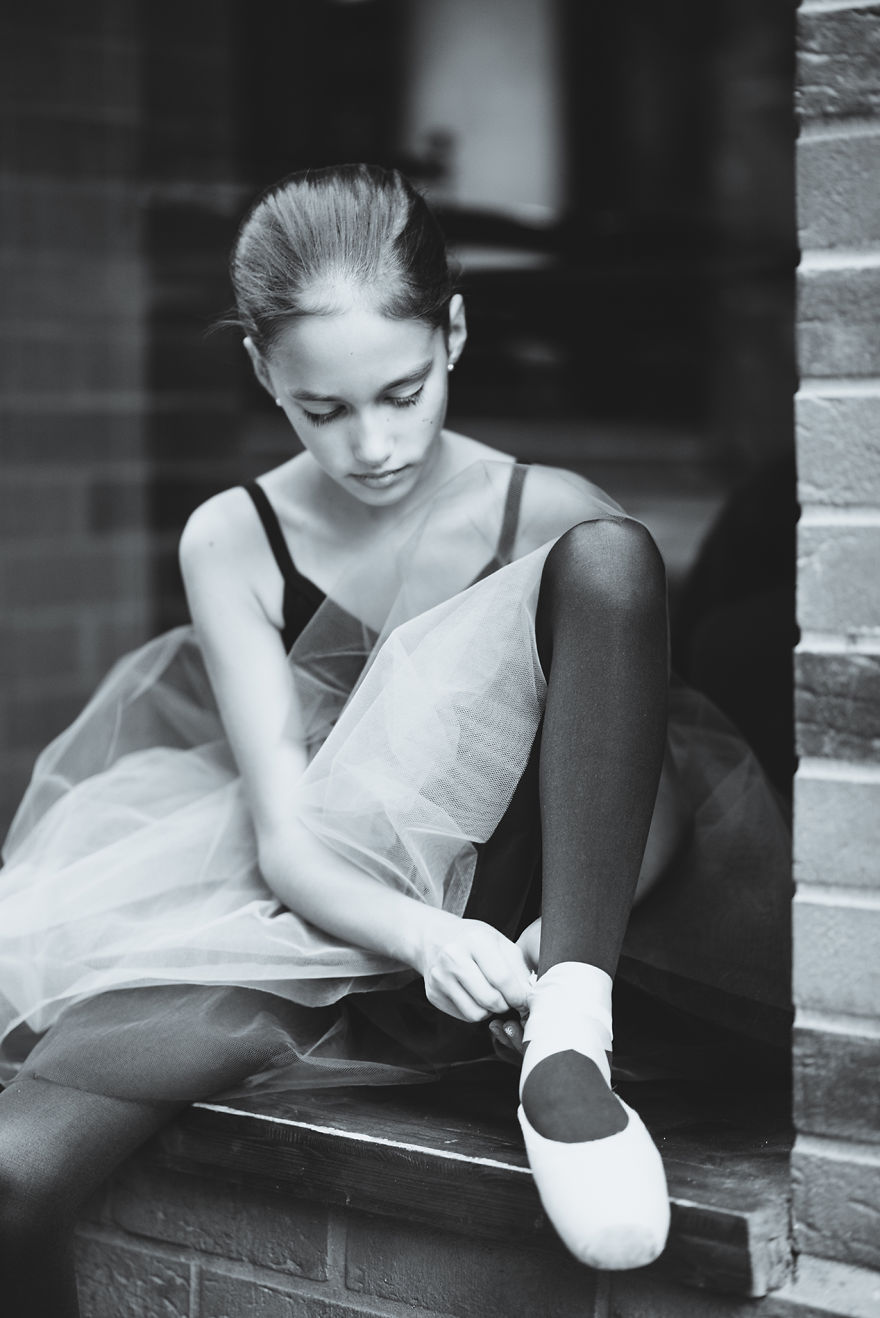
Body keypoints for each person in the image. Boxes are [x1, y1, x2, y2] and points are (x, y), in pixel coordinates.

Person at [0, 164, 792, 1314]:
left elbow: (648, 782)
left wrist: (556, 934)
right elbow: (288, 840)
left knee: (614, 558)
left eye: (402, 392)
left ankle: (569, 1043)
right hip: (334, 923)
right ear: (262, 371)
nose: (371, 443)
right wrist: (424, 934)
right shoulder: (233, 536)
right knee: (15, 1172)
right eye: (322, 408)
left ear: (453, 334)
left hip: (538, 919)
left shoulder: (552, 515)